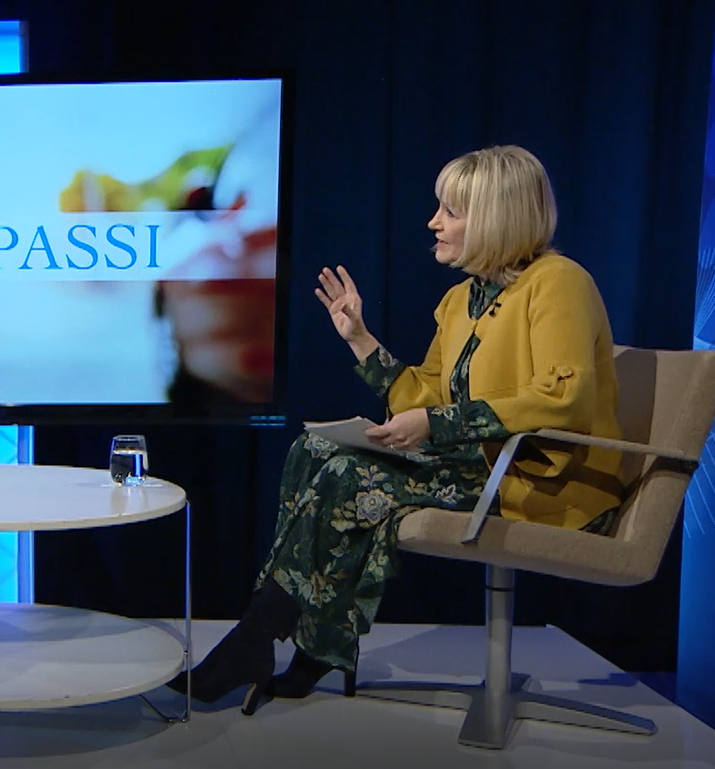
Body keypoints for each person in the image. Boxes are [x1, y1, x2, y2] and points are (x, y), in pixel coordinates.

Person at [175, 144, 623, 713]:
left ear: (496, 218)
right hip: (476, 463)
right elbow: (426, 396)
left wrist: (435, 422)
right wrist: (360, 339)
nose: (434, 222)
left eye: (451, 212)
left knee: (349, 476)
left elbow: (564, 398)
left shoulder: (559, 282)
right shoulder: (460, 300)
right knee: (314, 448)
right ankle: (300, 643)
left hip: (543, 480)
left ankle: (267, 640)